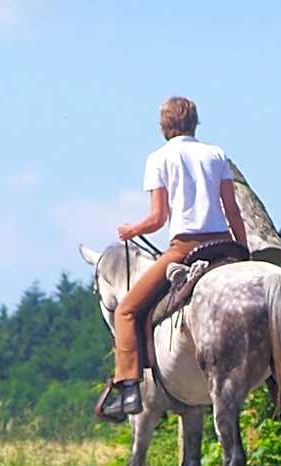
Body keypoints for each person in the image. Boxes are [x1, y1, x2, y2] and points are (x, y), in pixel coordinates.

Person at [100, 96, 247, 420]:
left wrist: (130, 229)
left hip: (185, 248)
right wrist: (243, 250)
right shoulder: (216, 154)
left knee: (125, 310)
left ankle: (127, 389)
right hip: (223, 244)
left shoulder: (158, 158)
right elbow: (232, 210)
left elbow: (157, 218)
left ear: (164, 125)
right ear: (195, 121)